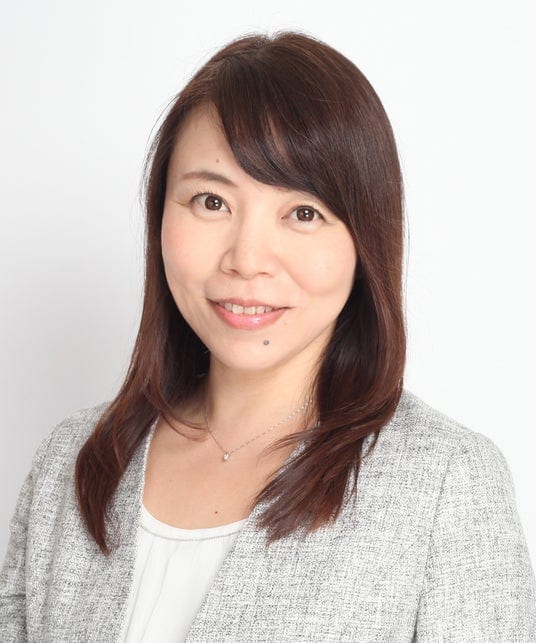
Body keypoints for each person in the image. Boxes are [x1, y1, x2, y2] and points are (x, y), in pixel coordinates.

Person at [1, 30, 535, 642]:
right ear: (160, 215)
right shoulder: (72, 461)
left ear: (365, 240)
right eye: (211, 201)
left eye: (303, 213)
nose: (247, 259)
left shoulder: (446, 484)